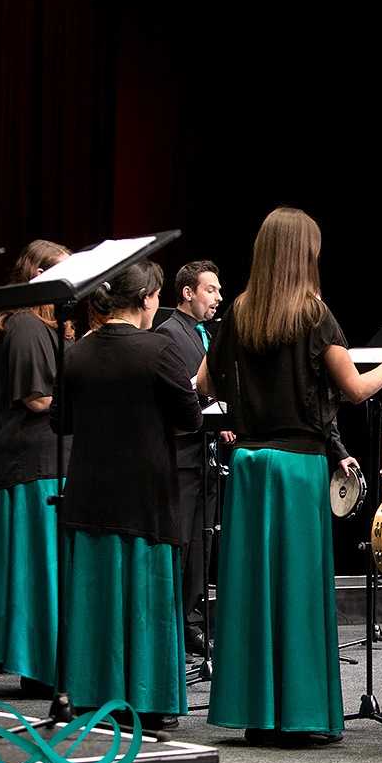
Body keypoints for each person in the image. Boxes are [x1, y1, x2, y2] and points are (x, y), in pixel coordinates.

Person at [200, 207, 382, 745]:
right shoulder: (312, 313)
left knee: (253, 588)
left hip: (252, 467)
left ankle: (258, 711)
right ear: (305, 254)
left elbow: (205, 383)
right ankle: (300, 713)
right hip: (299, 469)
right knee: (298, 588)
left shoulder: (239, 311)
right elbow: (353, 390)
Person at [53, 260, 201, 730]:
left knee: (97, 599)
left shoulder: (77, 353)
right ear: (145, 300)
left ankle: (93, 694)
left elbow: (61, 422)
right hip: (144, 496)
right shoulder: (157, 349)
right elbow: (191, 419)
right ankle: (149, 700)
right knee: (145, 601)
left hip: (90, 496)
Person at [0, 240, 70, 694]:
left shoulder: (52, 327)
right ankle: (41, 665)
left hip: (49, 461)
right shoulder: (26, 327)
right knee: (41, 568)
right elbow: (38, 399)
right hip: (36, 465)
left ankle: (52, 663)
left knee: (50, 568)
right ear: (38, 275)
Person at [154, 260, 225, 658]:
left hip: (206, 456)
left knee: (204, 541)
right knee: (181, 542)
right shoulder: (168, 335)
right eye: (210, 289)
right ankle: (174, 624)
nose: (218, 297)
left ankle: (193, 620)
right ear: (187, 292)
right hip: (181, 457)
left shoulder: (204, 335)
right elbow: (181, 393)